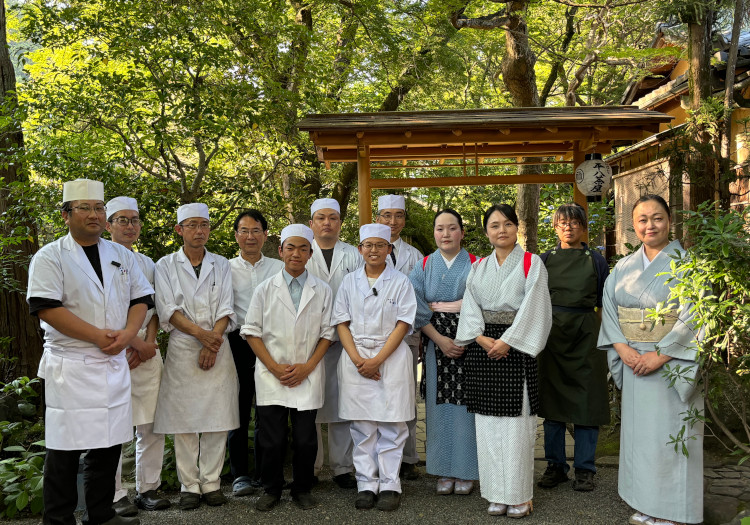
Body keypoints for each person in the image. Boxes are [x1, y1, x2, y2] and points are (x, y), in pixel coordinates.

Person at [27, 178, 153, 525]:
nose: (95, 215)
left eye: (99, 208)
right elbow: (46, 307)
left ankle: (101, 513)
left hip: (112, 363)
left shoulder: (120, 255)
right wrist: (98, 336)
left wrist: (128, 333)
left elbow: (141, 298)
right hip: (71, 365)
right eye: (85, 208)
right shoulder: (50, 256)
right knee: (64, 449)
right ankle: (58, 518)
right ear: (66, 214)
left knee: (109, 443)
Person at [598, 195, 703, 525]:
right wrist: (621, 346)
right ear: (634, 225)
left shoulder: (688, 266)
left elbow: (696, 314)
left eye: (657, 218)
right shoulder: (624, 267)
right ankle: (645, 502)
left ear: (669, 221)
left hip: (670, 363)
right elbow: (610, 308)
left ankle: (673, 510)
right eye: (642, 220)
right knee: (640, 438)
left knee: (669, 435)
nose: (649, 225)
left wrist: (661, 356)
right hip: (632, 361)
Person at [454, 204, 552, 518]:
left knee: (517, 427)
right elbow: (470, 306)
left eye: (508, 224)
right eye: (494, 225)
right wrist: (481, 339)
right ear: (486, 232)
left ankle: (520, 495)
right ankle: (496, 492)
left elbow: (535, 306)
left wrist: (508, 340)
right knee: (488, 426)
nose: (501, 230)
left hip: (517, 348)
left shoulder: (530, 263)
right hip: (484, 348)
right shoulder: (478, 266)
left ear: (516, 229)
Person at [241, 224, 334, 512]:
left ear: (310, 253)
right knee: (271, 439)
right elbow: (251, 332)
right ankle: (271, 488)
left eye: (303, 248)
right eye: (290, 247)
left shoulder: (323, 290)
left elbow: (328, 333)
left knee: (306, 439)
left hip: (308, 373)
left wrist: (307, 367)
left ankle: (302, 488)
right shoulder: (264, 289)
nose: (296, 253)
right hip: (272, 374)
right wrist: (273, 367)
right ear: (280, 251)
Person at [152, 203, 239, 511]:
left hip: (218, 343)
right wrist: (202, 337)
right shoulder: (165, 265)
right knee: (184, 420)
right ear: (180, 230)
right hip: (183, 345)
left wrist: (211, 341)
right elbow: (168, 311)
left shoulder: (222, 264)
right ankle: (190, 484)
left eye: (204, 225)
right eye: (192, 225)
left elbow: (227, 307)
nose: (199, 231)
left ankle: (212, 483)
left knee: (217, 418)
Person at [333, 223, 417, 512]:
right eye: (368, 245)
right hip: (355, 356)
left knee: (393, 425)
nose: (373, 250)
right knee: (362, 426)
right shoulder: (348, 282)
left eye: (380, 245)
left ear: (389, 249)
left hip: (390, 357)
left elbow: (404, 323)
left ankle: (391, 484)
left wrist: (377, 360)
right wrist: (359, 360)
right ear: (360, 249)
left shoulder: (401, 282)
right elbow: (341, 322)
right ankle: (366, 483)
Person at [537, 203, 610, 492]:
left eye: (574, 222)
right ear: (555, 227)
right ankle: (555, 466)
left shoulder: (596, 260)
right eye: (562, 223)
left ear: (583, 227)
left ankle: (585, 469)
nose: (568, 227)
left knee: (587, 404)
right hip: (552, 335)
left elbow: (605, 303)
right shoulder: (545, 260)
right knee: (552, 406)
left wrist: (606, 338)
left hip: (586, 334)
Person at [105, 197, 170, 516]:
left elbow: (155, 309)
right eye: (122, 220)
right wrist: (131, 343)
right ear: (108, 225)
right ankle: (114, 494)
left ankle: (148, 489)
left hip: (147, 353)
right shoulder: (96, 260)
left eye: (135, 220)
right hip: (112, 352)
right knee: (114, 426)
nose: (130, 226)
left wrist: (148, 341)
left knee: (151, 427)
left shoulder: (147, 263)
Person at [409, 209, 479, 496]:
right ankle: (442, 470)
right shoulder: (424, 265)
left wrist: (462, 339)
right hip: (435, 340)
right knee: (439, 406)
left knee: (467, 406)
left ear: (462, 232)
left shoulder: (477, 264)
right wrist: (440, 340)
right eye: (440, 229)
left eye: (452, 228)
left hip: (470, 341)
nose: (446, 234)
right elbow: (415, 305)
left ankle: (466, 470)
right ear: (435, 232)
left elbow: (482, 304)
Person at [306, 198, 362, 489]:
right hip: (309, 343)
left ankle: (343, 468)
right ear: (311, 223)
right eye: (321, 218)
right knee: (311, 405)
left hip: (345, 341)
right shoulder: (301, 252)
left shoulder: (354, 254)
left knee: (343, 405)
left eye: (333, 218)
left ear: (340, 223)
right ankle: (312, 468)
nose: (327, 223)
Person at [227, 209, 284, 497]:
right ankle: (240, 475)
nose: (250, 236)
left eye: (256, 230)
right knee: (237, 409)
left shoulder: (278, 268)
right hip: (237, 345)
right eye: (244, 231)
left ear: (265, 234)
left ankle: (266, 473)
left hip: (270, 345)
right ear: (236, 235)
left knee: (268, 411)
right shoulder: (224, 268)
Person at [375, 194, 424, 480]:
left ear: (405, 219)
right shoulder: (367, 250)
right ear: (378, 218)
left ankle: (408, 458)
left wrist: (416, 338)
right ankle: (377, 458)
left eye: (398, 216)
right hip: (371, 340)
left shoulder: (414, 256)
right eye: (386, 215)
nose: (392, 222)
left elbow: (419, 300)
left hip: (406, 338)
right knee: (374, 398)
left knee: (406, 398)